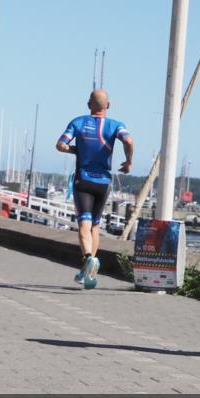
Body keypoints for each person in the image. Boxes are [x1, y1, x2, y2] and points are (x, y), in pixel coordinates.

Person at [56, 89, 133, 289]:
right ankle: (89, 268)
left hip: (83, 180)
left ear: (89, 104)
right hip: (103, 183)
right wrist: (128, 162)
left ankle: (88, 257)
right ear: (108, 105)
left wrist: (76, 150)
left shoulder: (78, 122)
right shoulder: (116, 125)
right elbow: (129, 140)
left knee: (84, 225)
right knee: (95, 226)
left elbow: (61, 145)